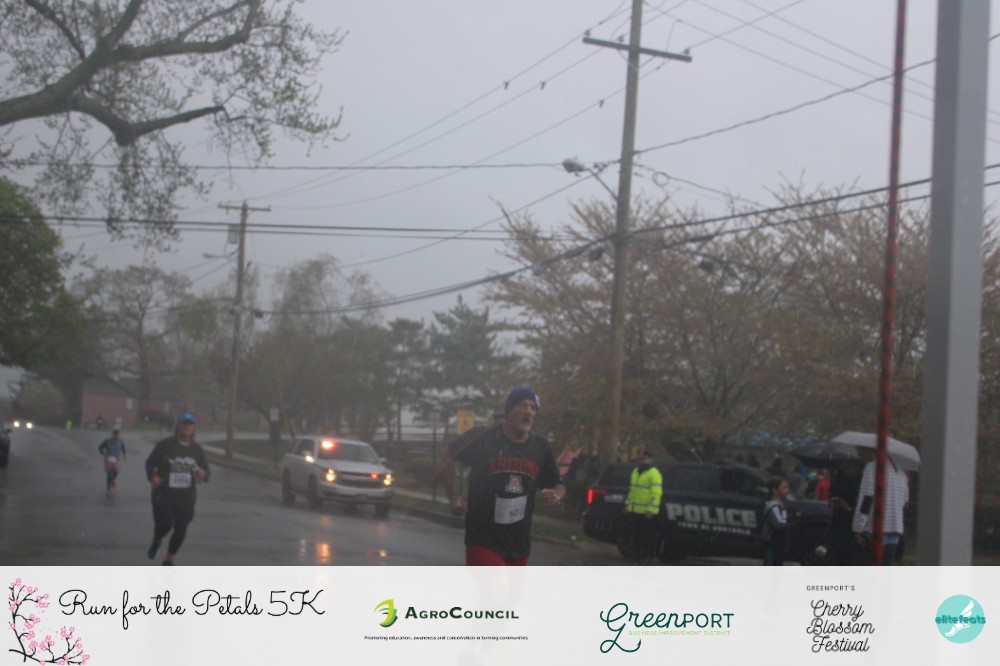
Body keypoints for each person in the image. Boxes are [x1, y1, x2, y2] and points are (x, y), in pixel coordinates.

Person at [441, 387, 565, 566]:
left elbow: (558, 485)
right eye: (522, 405)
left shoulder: (541, 446)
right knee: (495, 584)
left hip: (519, 540)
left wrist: (556, 496)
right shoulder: (482, 437)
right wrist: (453, 497)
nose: (528, 412)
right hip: (483, 537)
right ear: (508, 411)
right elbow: (448, 456)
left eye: (533, 408)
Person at [144, 412, 211, 565]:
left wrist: (203, 474)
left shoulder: (197, 450)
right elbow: (149, 464)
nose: (186, 427)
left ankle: (169, 559)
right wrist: (153, 477)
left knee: (181, 529)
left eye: (190, 424)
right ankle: (158, 539)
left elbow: (207, 474)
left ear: (193, 428)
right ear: (178, 426)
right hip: (164, 495)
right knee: (165, 525)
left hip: (186, 498)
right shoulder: (165, 445)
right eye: (183, 424)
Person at [852, 447, 909, 565]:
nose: (858, 455)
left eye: (860, 451)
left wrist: (858, 528)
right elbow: (905, 500)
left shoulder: (871, 468)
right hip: (895, 528)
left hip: (874, 528)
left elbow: (867, 499)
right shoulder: (900, 472)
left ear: (871, 451)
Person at [623, 450, 663, 564]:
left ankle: (644, 557)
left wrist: (650, 509)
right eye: (641, 459)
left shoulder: (654, 473)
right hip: (635, 511)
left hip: (646, 513)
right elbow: (632, 491)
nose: (642, 461)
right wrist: (628, 505)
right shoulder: (635, 472)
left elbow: (656, 493)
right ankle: (635, 557)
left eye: (645, 459)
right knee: (635, 536)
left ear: (650, 460)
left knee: (646, 537)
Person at [762, 477, 790, 566]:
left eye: (787, 488)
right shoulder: (773, 506)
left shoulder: (782, 505)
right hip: (772, 543)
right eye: (784, 488)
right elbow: (779, 523)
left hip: (779, 544)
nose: (787, 491)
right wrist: (792, 519)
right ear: (774, 490)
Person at [98, 428, 127, 493]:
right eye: (115, 434)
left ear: (118, 435)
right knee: (109, 473)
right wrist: (103, 454)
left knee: (116, 472)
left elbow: (123, 448)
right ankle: (108, 488)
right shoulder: (107, 441)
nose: (116, 436)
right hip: (108, 460)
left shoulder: (120, 441)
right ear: (113, 434)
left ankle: (113, 479)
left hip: (116, 459)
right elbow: (100, 447)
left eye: (117, 435)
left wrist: (124, 454)